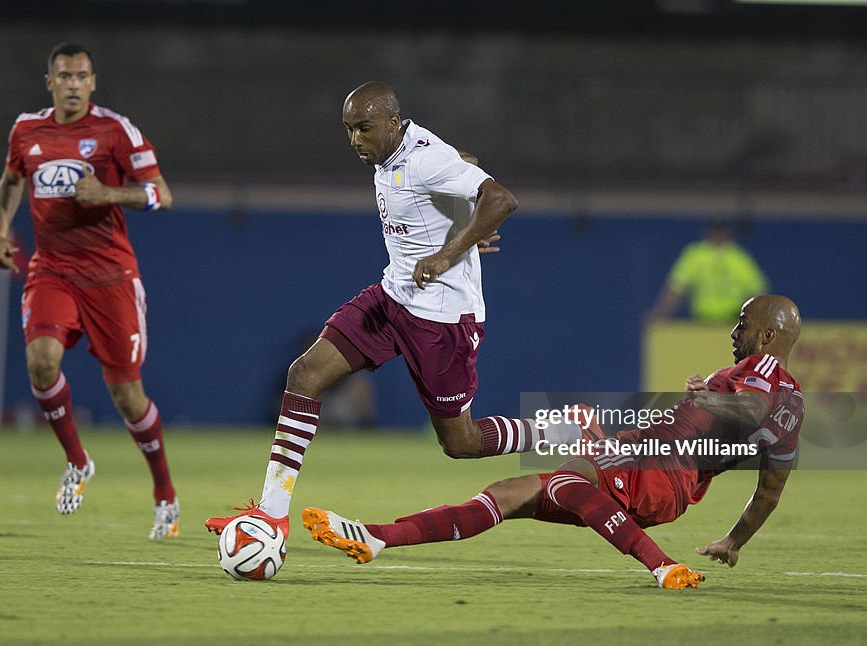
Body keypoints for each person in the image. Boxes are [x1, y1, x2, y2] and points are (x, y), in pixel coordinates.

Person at [206, 81, 584, 539]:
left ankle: (562, 430)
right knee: (304, 374)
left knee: (460, 443)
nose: (354, 141)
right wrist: (463, 222)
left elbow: (501, 198)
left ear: (392, 122)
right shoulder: (391, 154)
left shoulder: (422, 156)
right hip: (392, 300)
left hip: (441, 320)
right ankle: (271, 514)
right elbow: (465, 165)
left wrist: (449, 252)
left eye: (363, 129)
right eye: (348, 130)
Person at [303, 295, 804, 590]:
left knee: (570, 449)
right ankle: (377, 537)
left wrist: (703, 399)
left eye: (742, 324)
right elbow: (770, 491)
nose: (734, 332)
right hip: (659, 477)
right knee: (509, 494)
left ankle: (662, 565)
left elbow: (750, 409)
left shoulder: (758, 369)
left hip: (654, 464)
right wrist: (733, 541)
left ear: (766, 335)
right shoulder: (794, 406)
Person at [0, 42, 179, 539]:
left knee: (127, 396)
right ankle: (77, 461)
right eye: (64, 76)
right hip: (52, 270)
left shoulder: (115, 131)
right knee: (41, 361)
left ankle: (165, 493)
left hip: (111, 277)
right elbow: (11, 182)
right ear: (49, 81)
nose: (73, 83)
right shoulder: (26, 131)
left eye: (81, 76)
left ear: (92, 82)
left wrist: (109, 194)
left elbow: (162, 194)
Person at [646, 219, 769, 324]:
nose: (717, 234)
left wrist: (754, 319)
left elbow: (757, 293)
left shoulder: (737, 257)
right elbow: (676, 289)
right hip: (704, 321)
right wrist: (661, 313)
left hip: (731, 320)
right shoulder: (697, 255)